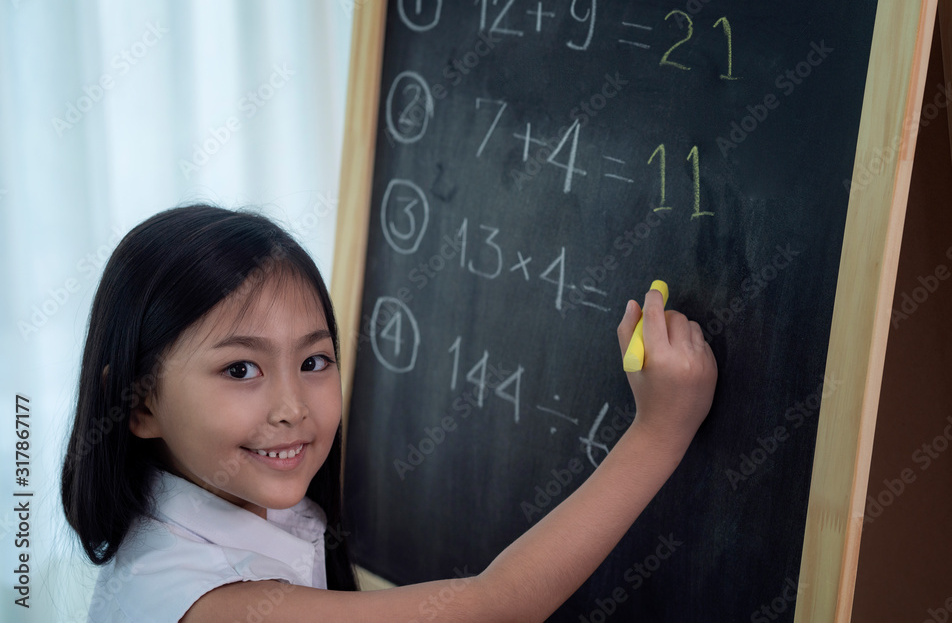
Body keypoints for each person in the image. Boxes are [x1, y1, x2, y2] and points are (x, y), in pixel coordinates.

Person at [61, 204, 717, 622]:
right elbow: (495, 606)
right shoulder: (209, 602)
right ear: (139, 402)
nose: (292, 407)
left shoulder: (218, 507)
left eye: (315, 361)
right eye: (241, 369)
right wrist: (660, 431)